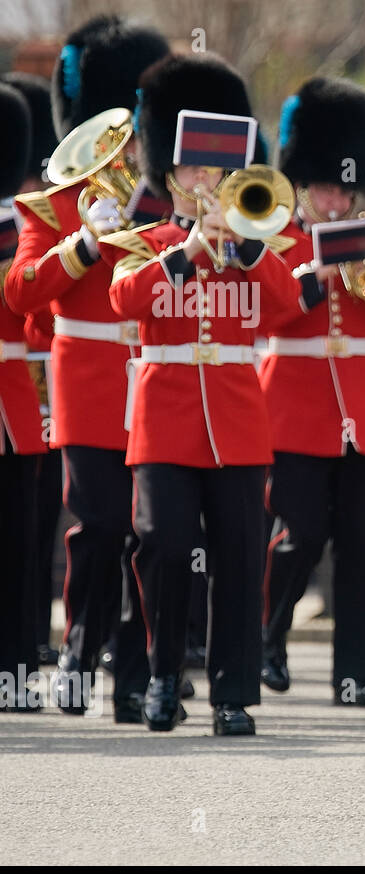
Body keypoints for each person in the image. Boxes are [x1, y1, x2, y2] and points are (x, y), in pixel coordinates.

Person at [98, 51, 299, 733]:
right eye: (193, 171)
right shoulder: (147, 241)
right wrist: (185, 251)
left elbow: (285, 305)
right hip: (164, 419)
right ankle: (159, 678)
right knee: (162, 543)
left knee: (242, 554)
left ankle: (233, 694)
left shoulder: (252, 244)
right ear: (171, 176)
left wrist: (246, 247)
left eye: (215, 172)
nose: (205, 183)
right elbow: (126, 298)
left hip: (239, 422)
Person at [3, 15, 170, 722]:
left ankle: (129, 674)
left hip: (154, 381)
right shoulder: (52, 203)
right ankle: (77, 653)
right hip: (86, 379)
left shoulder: (165, 200)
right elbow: (21, 289)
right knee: (98, 525)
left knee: (148, 534)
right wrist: (84, 242)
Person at [260, 77, 365, 705]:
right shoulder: (275, 241)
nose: (333, 199)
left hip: (360, 414)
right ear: (301, 185)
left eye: (342, 188)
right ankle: (267, 638)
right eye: (324, 187)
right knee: (298, 534)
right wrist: (310, 278)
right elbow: (260, 316)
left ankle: (352, 674)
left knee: (360, 545)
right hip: (294, 409)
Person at [0, 79, 45, 711]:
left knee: (19, 547)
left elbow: (34, 313)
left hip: (13, 401)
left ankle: (14, 672)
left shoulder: (25, 225)